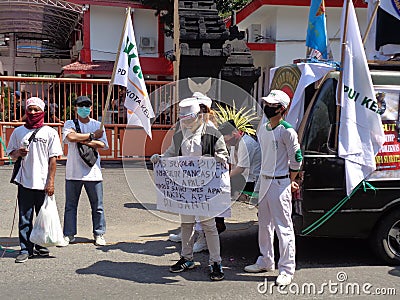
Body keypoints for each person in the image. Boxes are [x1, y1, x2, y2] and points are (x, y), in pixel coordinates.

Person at [150, 98, 229, 281]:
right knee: (186, 224)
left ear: (198, 116)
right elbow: (171, 153)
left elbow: (223, 152)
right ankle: (186, 258)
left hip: (205, 188)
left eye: (188, 119)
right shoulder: (179, 134)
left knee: (209, 226)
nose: (185, 123)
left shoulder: (212, 133)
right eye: (183, 120)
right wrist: (160, 158)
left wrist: (221, 157)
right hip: (185, 188)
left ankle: (215, 262)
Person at [244, 90, 303, 287]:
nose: (268, 107)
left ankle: (286, 269)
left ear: (282, 109)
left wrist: (289, 179)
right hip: (265, 180)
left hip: (279, 183)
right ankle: (266, 260)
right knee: (264, 224)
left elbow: (297, 159)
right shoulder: (265, 127)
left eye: (272, 105)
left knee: (283, 227)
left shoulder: (287, 131)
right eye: (267, 104)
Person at [6, 97, 63, 263]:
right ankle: (25, 249)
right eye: (29, 109)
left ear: (42, 111)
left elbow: (53, 159)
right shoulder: (18, 132)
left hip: (44, 182)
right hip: (25, 181)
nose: (32, 112)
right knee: (25, 218)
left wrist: (50, 182)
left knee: (42, 216)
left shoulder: (50, 132)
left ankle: (41, 245)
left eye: (36, 110)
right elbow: (11, 154)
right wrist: (18, 152)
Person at [61, 96, 109, 247]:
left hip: (93, 171)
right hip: (73, 172)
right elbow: (70, 136)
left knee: (98, 206)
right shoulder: (70, 123)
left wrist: (82, 139)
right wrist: (92, 136)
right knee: (70, 205)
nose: (83, 108)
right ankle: (69, 234)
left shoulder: (98, 124)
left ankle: (99, 233)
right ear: (75, 108)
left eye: (86, 105)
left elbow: (103, 144)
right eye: (80, 105)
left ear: (91, 108)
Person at [218, 119, 261, 200]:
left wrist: (223, 178)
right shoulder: (234, 143)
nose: (227, 144)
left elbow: (240, 169)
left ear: (233, 134)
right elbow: (232, 165)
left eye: (227, 141)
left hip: (252, 180)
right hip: (242, 178)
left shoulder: (246, 143)